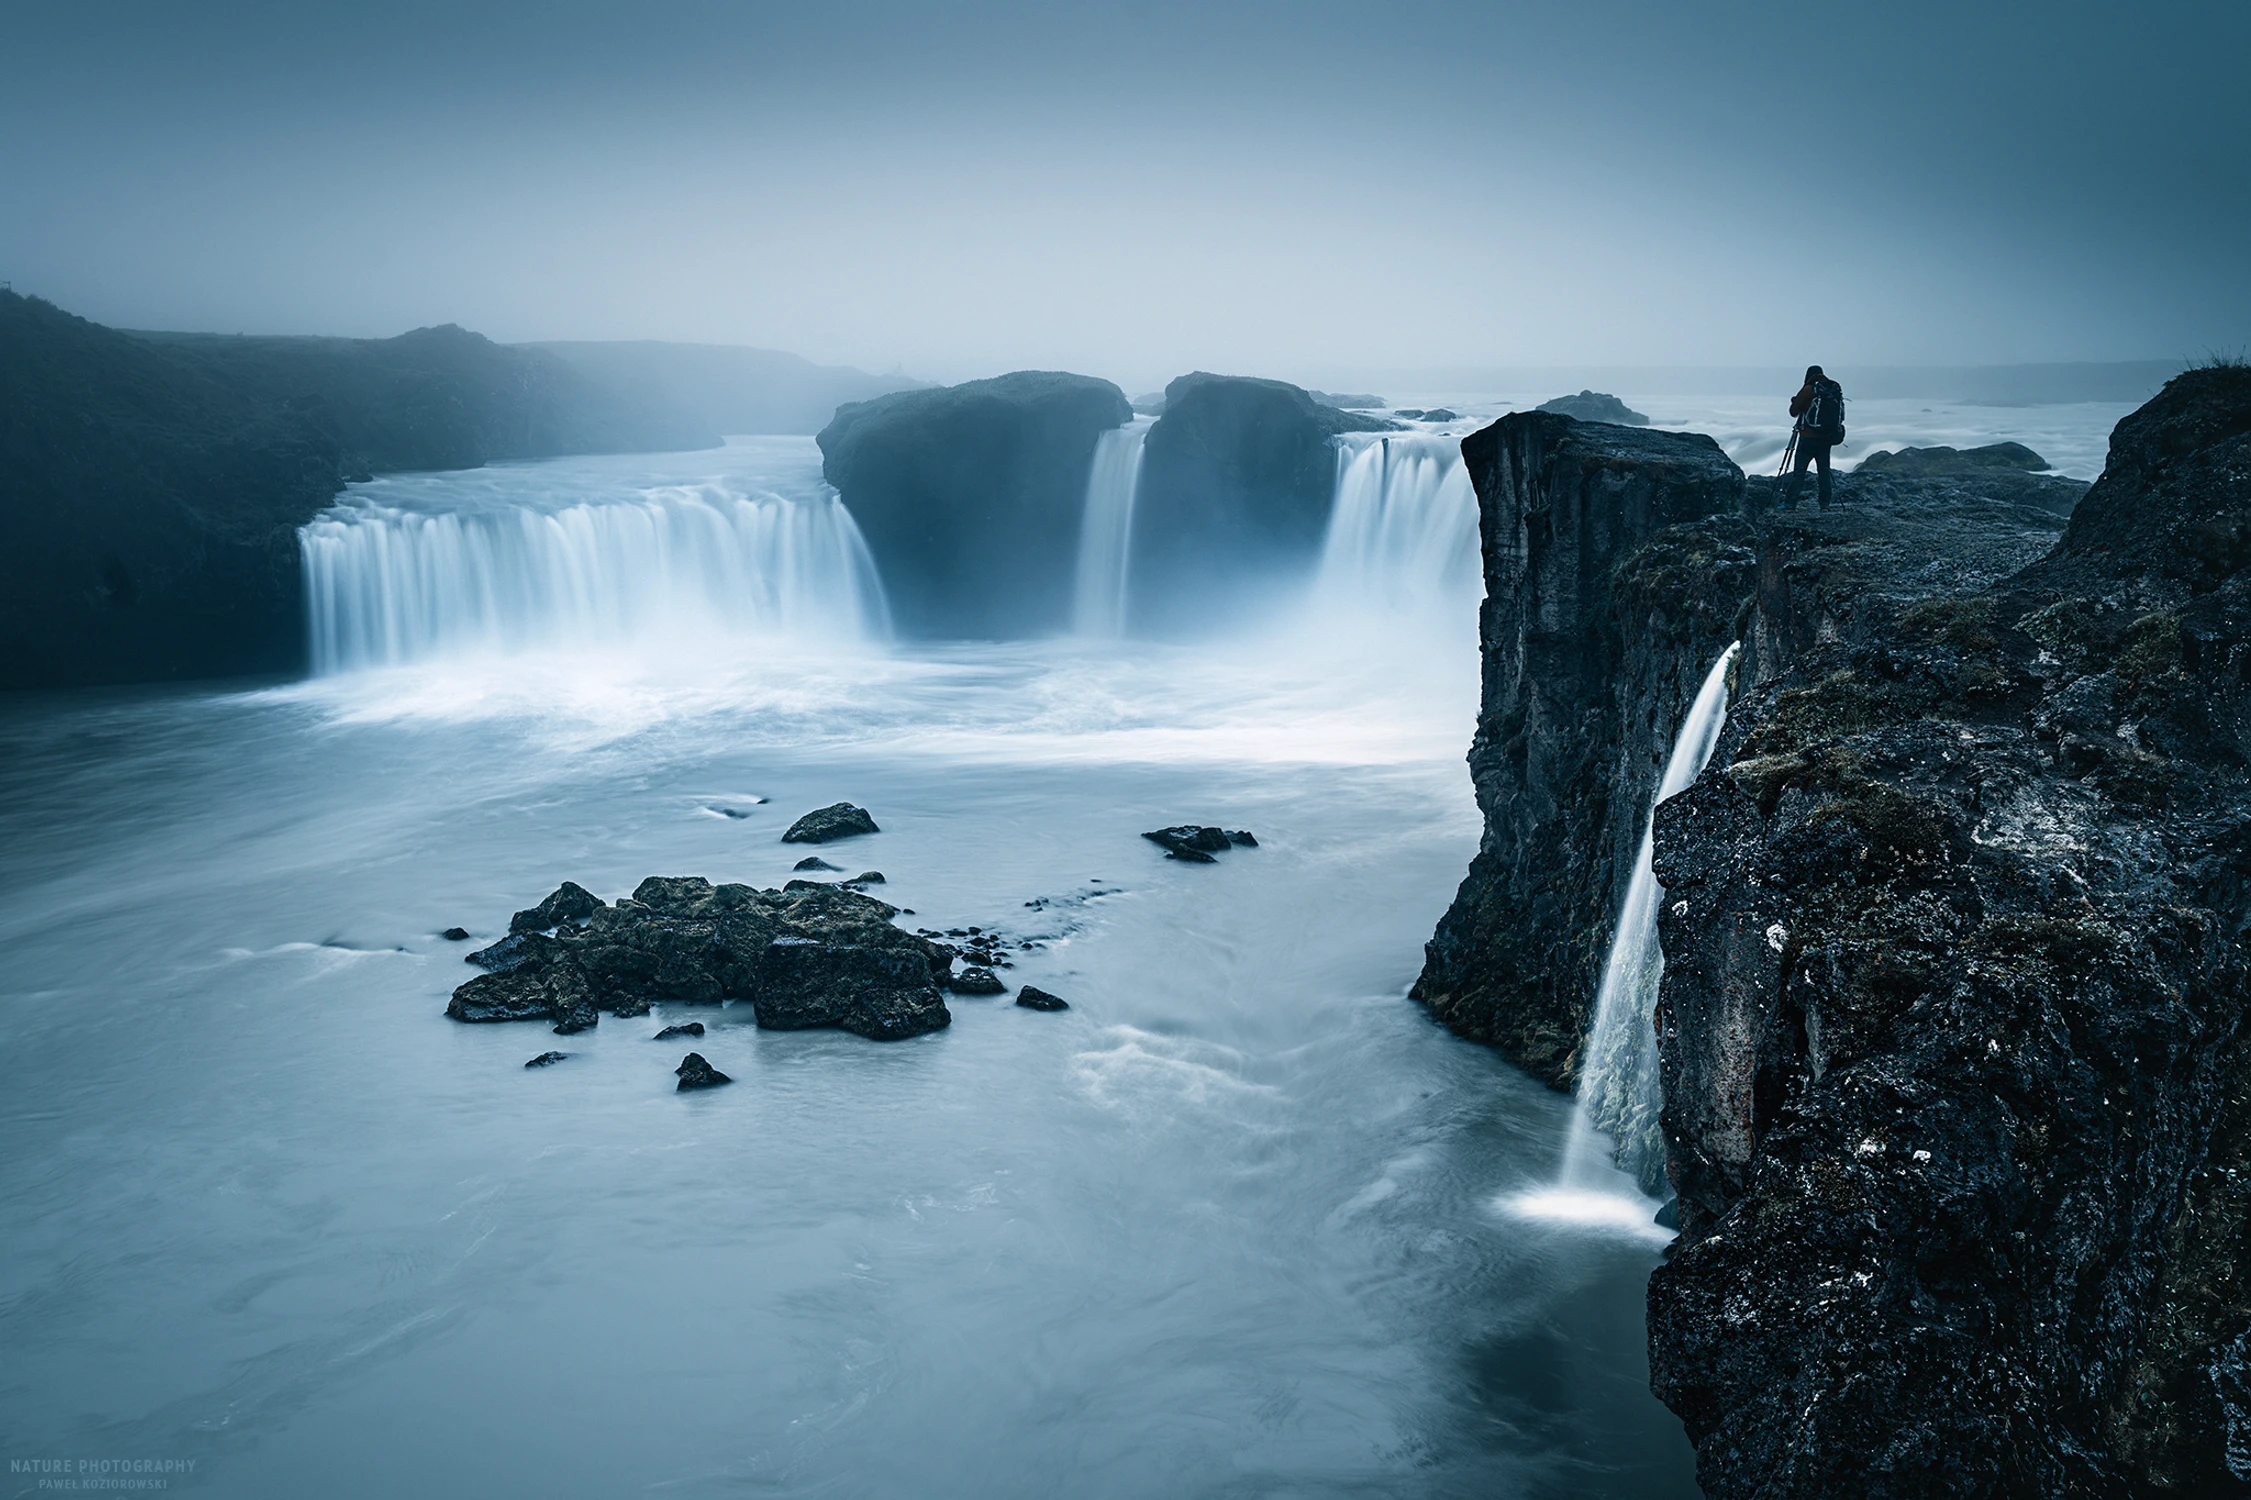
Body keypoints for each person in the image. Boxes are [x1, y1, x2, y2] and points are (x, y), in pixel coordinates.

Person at [1781, 365, 1845, 511]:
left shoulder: (1808, 389)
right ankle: (1824, 505)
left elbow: (1793, 411)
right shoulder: (1832, 390)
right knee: (1824, 471)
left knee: (1799, 471)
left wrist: (1796, 401)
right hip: (1826, 438)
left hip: (1807, 438)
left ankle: (1790, 504)